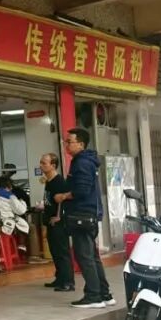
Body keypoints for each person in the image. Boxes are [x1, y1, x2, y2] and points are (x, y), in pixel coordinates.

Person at [55, 128, 114, 308]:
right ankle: (104, 294)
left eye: (69, 142)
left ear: (80, 144)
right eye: (65, 142)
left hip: (82, 215)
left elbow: (81, 190)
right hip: (88, 215)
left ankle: (94, 296)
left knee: (85, 257)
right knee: (92, 257)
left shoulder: (81, 163)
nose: (66, 145)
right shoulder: (87, 161)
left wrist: (63, 196)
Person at [39, 152, 74, 292]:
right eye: (41, 162)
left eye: (44, 163)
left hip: (58, 222)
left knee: (62, 251)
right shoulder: (48, 181)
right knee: (54, 251)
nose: (41, 165)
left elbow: (63, 200)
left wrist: (59, 216)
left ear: (53, 165)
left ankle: (68, 281)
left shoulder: (59, 181)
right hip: (49, 220)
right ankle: (60, 278)